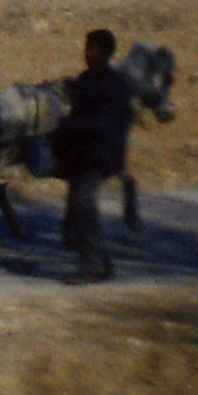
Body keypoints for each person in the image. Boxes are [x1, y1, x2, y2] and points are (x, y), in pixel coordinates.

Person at [52, 28, 130, 284]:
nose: (87, 53)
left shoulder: (112, 85)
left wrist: (66, 124)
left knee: (83, 205)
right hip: (82, 155)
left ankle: (92, 266)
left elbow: (102, 125)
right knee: (77, 209)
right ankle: (100, 261)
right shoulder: (87, 79)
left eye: (92, 49)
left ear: (106, 53)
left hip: (100, 156)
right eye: (86, 48)